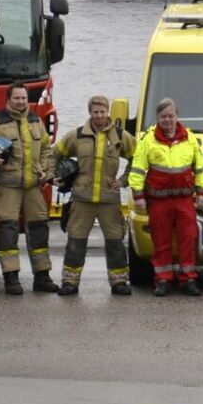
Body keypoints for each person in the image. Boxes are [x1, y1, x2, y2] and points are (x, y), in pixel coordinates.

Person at [0, 83, 58, 295]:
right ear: (8, 100)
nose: (20, 102)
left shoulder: (35, 120)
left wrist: (46, 171)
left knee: (39, 230)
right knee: (8, 232)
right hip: (7, 187)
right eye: (16, 98)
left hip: (32, 187)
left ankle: (42, 276)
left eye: (23, 98)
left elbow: (47, 149)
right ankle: (11, 277)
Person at [56, 94, 136, 297]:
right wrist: (55, 176)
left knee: (116, 242)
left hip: (109, 199)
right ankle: (69, 282)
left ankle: (119, 282)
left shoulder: (120, 135)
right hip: (82, 200)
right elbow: (53, 154)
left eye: (102, 112)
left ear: (108, 112)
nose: (99, 116)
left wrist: (124, 180)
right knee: (76, 241)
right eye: (95, 112)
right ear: (89, 113)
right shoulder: (76, 136)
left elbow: (139, 157)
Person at [129, 98, 203, 296]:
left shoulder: (189, 137)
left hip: (184, 200)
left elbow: (200, 167)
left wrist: (201, 192)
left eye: (170, 116)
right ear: (157, 118)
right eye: (163, 116)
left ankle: (188, 280)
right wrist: (138, 195)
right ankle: (163, 281)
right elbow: (138, 170)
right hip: (158, 201)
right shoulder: (148, 140)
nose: (167, 120)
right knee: (161, 242)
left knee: (188, 239)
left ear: (177, 116)